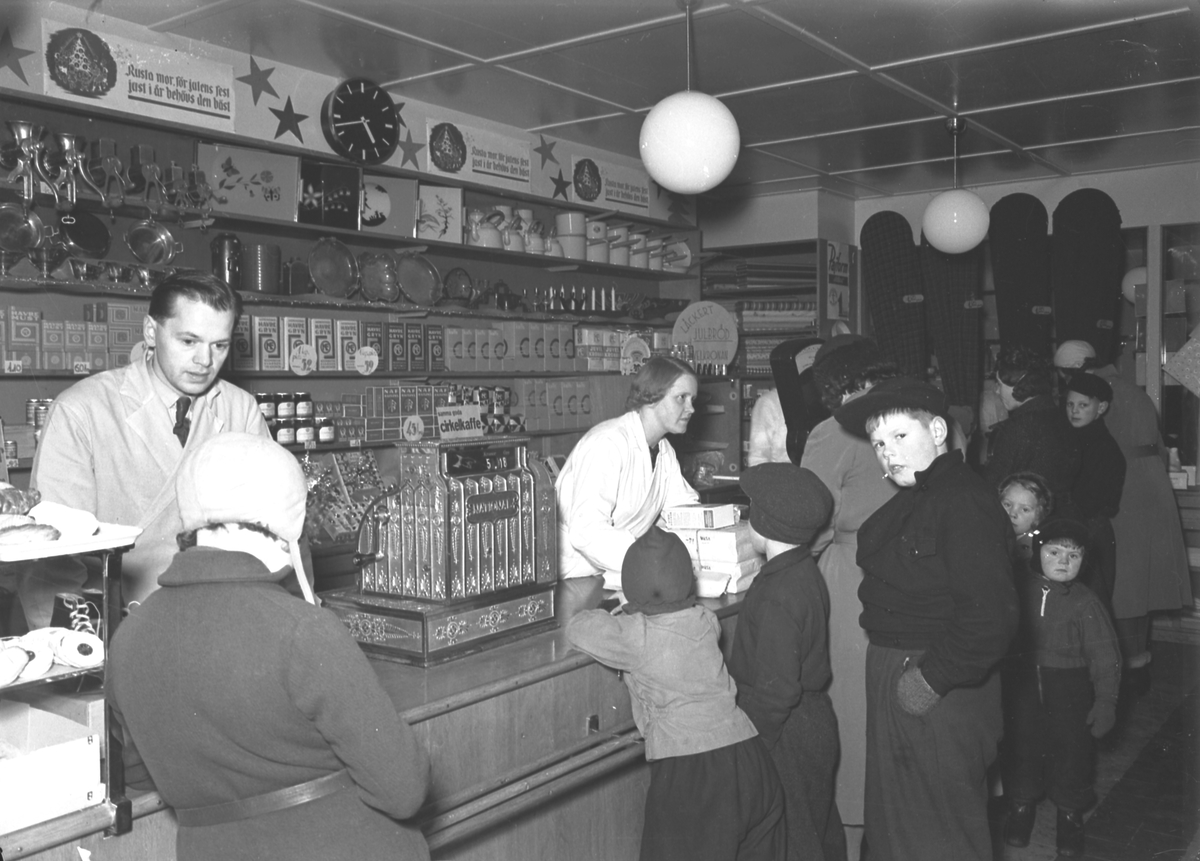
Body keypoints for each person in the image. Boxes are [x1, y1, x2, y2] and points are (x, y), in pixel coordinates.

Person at [108, 433, 431, 861]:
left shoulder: (127, 638)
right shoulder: (303, 630)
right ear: (287, 528)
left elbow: (138, 773)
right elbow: (404, 789)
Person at [833, 377, 1019, 861]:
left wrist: (930, 680)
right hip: (905, 676)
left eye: (899, 436)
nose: (888, 453)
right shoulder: (920, 495)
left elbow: (992, 619)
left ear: (937, 431)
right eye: (878, 443)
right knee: (900, 831)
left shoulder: (963, 499)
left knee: (939, 835)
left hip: (938, 685)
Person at [15, 273, 270, 625]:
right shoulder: (82, 411)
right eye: (189, 341)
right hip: (118, 621)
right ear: (151, 331)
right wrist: (74, 647)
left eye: (219, 346)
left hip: (219, 615)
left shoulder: (241, 409)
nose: (204, 360)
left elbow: (272, 533)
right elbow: (54, 563)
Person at [565, 526, 785, 861]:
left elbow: (579, 628)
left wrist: (621, 609)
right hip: (751, 760)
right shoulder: (705, 620)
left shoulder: (636, 635)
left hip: (694, 774)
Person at [796, 334, 897, 858]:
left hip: (855, 581)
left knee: (853, 717)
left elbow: (807, 519)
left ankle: (854, 842)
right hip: (921, 575)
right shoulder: (931, 416)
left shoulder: (835, 430)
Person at [1054, 339, 1193, 694]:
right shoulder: (1135, 391)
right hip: (1153, 489)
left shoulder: (1096, 395)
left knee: (1122, 588)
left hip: (1124, 494)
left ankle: (1124, 672)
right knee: (1142, 585)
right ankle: (1138, 664)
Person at [729, 462, 846, 861]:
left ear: (763, 525)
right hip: (811, 721)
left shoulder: (778, 593)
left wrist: (751, 746)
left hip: (785, 732)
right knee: (812, 827)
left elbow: (776, 690)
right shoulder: (803, 571)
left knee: (791, 838)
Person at [1001, 518, 1121, 858]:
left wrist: (1106, 701)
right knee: (1021, 747)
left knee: (1073, 752)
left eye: (1074, 555)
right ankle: (1021, 806)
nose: (1064, 561)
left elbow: (1106, 656)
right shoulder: (1018, 590)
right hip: (1023, 688)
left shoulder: (1086, 602)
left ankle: (1070, 813)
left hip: (1070, 692)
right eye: (1054, 552)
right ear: (1038, 553)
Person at [556, 356, 699, 589]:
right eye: (681, 398)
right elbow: (586, 531)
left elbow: (683, 511)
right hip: (570, 577)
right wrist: (649, 561)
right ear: (651, 397)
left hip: (613, 574)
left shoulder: (663, 451)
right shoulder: (607, 442)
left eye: (692, 399)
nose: (691, 408)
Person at [985, 344, 1081, 508]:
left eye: (1000, 384)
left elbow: (994, 485)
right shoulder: (1061, 418)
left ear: (1019, 386)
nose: (997, 391)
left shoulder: (1017, 427)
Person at [1064, 371, 1125, 612]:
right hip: (1077, 526)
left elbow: (1091, 501)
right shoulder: (1072, 438)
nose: (1074, 411)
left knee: (1091, 605)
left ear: (1101, 408)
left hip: (1091, 531)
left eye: (1083, 405)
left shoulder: (1104, 447)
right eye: (1070, 404)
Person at [999, 471, 1055, 562]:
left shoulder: (1032, 551)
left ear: (1039, 515)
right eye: (1007, 504)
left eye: (1025, 509)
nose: (1012, 513)